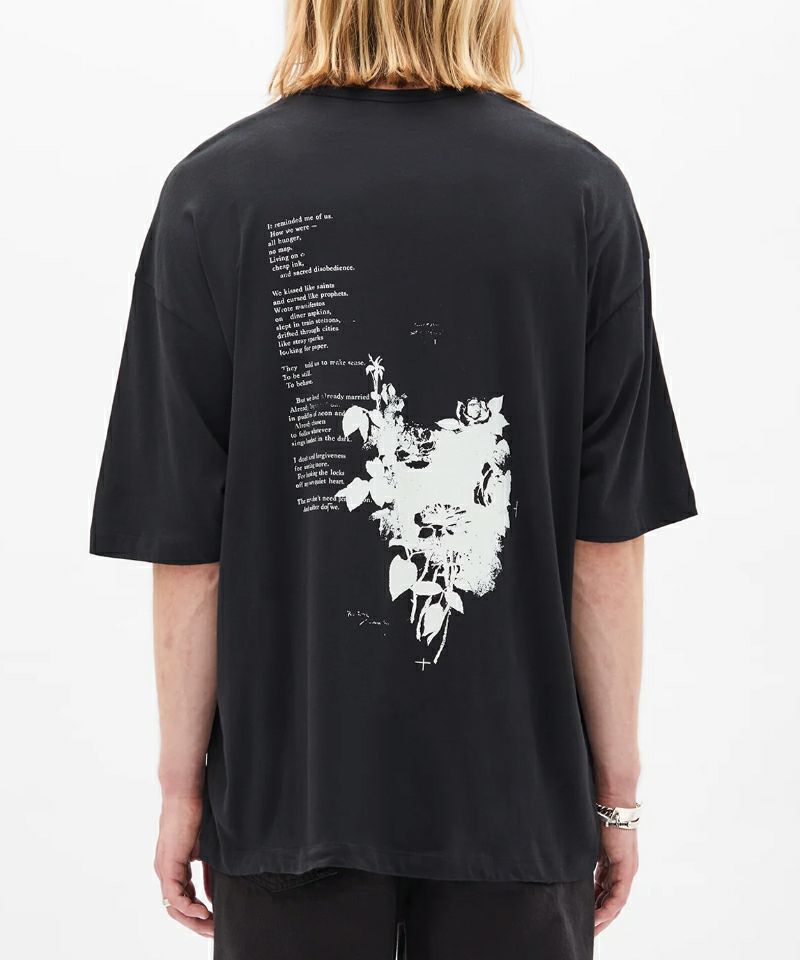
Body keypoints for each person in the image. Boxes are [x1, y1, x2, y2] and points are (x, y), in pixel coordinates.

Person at [90, 1, 696, 956]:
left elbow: (191, 553)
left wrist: (179, 789)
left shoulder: (212, 193)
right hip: (516, 805)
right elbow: (606, 544)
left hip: (291, 801)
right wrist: (615, 797)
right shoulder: (582, 194)